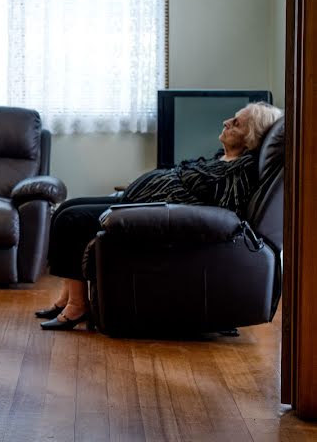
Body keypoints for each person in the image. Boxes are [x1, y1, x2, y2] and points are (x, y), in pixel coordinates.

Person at [36, 101, 283, 331]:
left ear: (251, 137)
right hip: (134, 201)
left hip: (147, 213)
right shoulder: (223, 159)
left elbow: (227, 210)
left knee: (72, 220)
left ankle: (78, 306)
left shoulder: (238, 172)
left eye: (236, 123)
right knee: (67, 209)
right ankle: (67, 296)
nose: (226, 122)